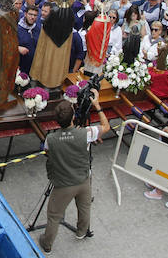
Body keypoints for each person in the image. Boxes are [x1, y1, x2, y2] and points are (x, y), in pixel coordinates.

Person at [39, 96, 110, 253]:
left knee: (54, 215)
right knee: (84, 208)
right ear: (73, 117)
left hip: (63, 184)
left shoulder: (51, 139)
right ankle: (81, 232)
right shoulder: (85, 133)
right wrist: (97, 105)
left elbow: (48, 153)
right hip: (83, 179)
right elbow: (106, 126)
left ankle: (47, 243)